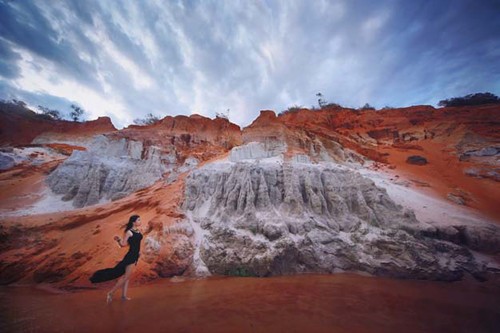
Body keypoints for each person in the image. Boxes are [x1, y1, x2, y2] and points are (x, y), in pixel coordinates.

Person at [89, 215, 143, 303]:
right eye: (139, 220)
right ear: (133, 222)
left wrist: (138, 253)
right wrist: (118, 240)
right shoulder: (129, 232)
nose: (140, 221)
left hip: (135, 255)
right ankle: (111, 293)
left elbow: (136, 244)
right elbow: (123, 245)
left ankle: (123, 296)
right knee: (126, 277)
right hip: (131, 256)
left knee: (127, 277)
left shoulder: (138, 231)